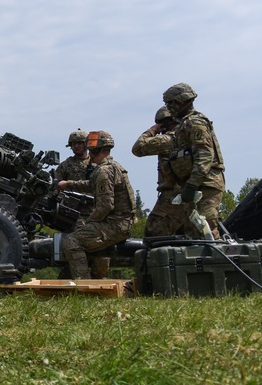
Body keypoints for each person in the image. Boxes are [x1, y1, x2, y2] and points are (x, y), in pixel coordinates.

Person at [56, 131, 136, 279]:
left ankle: (85, 285)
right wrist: (68, 184)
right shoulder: (112, 166)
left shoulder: (103, 170)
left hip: (114, 223)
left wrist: (90, 222)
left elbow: (105, 206)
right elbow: (91, 184)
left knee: (72, 242)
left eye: (91, 148)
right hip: (119, 221)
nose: (88, 151)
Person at [162, 83, 225, 238]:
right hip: (195, 184)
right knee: (193, 231)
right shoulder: (184, 124)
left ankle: (217, 261)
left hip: (206, 183)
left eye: (171, 103)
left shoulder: (195, 122)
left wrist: (192, 185)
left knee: (206, 229)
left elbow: (204, 156)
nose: (169, 108)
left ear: (182, 101)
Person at [131, 106, 185, 237]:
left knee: (154, 233)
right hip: (189, 192)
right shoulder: (187, 136)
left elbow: (137, 148)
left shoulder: (170, 139)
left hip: (174, 195)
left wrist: (152, 130)